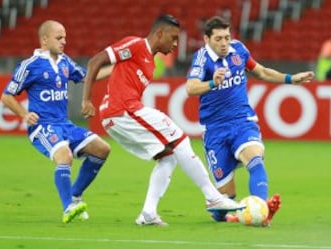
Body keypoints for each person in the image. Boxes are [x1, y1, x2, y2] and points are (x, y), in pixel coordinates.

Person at [81, 14, 245, 226]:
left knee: (169, 157)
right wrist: (86, 99)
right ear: (160, 33)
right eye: (173, 38)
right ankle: (213, 198)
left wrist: (90, 79)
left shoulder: (150, 63)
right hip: (122, 109)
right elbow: (96, 60)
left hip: (117, 116)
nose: (176, 44)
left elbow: (112, 70)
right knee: (180, 139)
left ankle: (148, 213)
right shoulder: (137, 44)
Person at [186, 16, 314, 226]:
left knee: (255, 162)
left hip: (242, 121)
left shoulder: (239, 50)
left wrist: (291, 79)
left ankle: (262, 212)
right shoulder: (201, 59)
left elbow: (261, 72)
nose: (224, 43)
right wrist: (211, 82)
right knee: (224, 204)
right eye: (218, 39)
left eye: (227, 37)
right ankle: (226, 209)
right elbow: (190, 88)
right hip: (215, 131)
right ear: (206, 39)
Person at [1, 20, 111, 224]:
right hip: (42, 126)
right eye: (59, 38)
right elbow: (7, 97)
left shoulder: (65, 62)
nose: (64, 41)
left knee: (102, 149)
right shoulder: (29, 65)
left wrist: (117, 68)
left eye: (65, 38)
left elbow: (88, 77)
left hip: (64, 124)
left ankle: (75, 196)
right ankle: (68, 206)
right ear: (44, 39)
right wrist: (24, 114)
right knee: (64, 156)